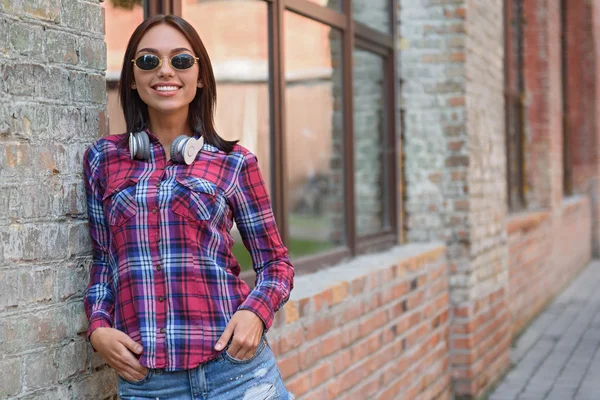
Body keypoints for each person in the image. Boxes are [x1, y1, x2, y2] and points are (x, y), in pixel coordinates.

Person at [83, 14, 295, 399]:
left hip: (237, 375)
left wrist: (255, 313)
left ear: (200, 77)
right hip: (149, 384)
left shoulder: (234, 163)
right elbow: (103, 262)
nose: (165, 71)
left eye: (181, 60)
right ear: (132, 77)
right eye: (148, 60)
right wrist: (98, 327)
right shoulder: (103, 160)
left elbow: (276, 264)